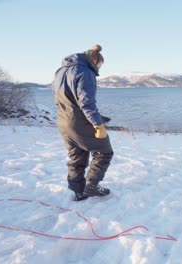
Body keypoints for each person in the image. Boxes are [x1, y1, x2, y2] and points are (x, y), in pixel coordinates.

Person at [52, 44, 113, 201]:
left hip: (63, 120)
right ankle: (91, 186)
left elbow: (64, 98)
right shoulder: (85, 72)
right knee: (104, 151)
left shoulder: (60, 71)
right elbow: (86, 103)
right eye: (100, 65)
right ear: (95, 59)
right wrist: (98, 124)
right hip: (80, 122)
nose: (99, 69)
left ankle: (78, 191)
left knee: (77, 156)